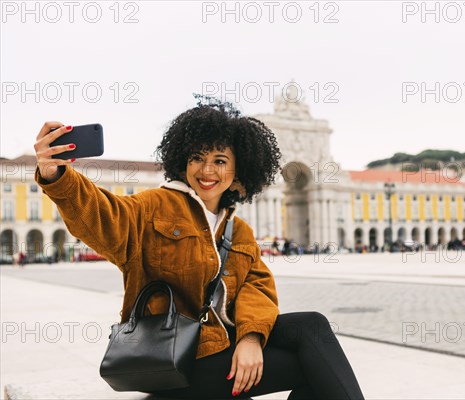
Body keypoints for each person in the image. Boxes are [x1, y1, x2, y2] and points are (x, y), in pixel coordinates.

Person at [33, 97, 365, 400]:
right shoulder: (153, 207)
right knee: (317, 366)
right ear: (182, 162)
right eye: (197, 158)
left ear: (238, 170)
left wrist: (251, 338)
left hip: (226, 348)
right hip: (177, 360)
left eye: (220, 161)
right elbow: (104, 216)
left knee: (312, 328)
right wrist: (57, 175)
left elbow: (256, 288)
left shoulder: (239, 229)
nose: (208, 171)